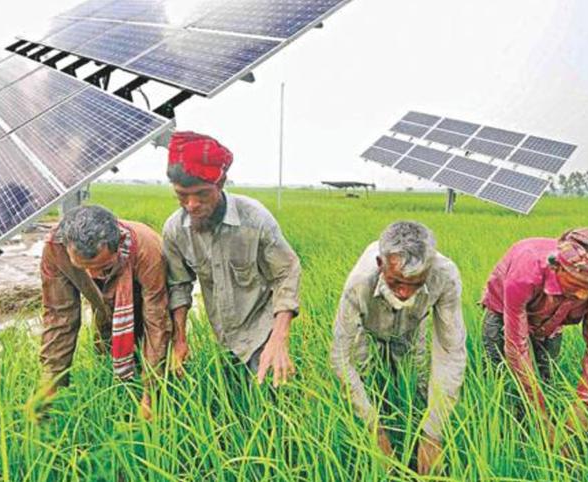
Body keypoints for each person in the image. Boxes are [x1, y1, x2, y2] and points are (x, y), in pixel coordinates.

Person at [162, 131, 302, 387]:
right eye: (182, 196)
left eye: (202, 194)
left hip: (263, 329)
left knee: (275, 400)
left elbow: (286, 272)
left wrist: (279, 340)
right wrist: (180, 340)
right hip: (223, 335)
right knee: (235, 405)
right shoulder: (175, 230)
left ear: (221, 182)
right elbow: (178, 285)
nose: (191, 204)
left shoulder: (255, 220)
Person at [331, 221, 467, 475]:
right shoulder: (360, 282)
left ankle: (416, 436)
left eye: (416, 283)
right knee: (367, 380)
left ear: (429, 268)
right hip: (367, 329)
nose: (404, 292)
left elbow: (450, 352)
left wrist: (433, 434)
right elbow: (340, 357)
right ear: (381, 265)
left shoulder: (444, 276)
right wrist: (374, 430)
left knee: (416, 383)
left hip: (413, 328)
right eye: (396, 282)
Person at [481, 227, 588, 445]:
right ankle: (504, 435)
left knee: (545, 379)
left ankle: (540, 434)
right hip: (504, 312)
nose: (582, 295)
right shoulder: (527, 271)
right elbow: (517, 346)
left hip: (553, 321)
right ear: (557, 268)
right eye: (576, 285)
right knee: (500, 379)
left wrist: (581, 407)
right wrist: (540, 416)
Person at [31, 205, 172, 420]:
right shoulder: (55, 248)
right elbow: (59, 315)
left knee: (156, 351)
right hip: (105, 311)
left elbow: (157, 319)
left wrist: (151, 394)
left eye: (103, 267)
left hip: (143, 302)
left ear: (116, 249)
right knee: (106, 356)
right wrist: (50, 380)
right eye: (83, 268)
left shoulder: (146, 249)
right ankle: (116, 404)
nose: (92, 275)